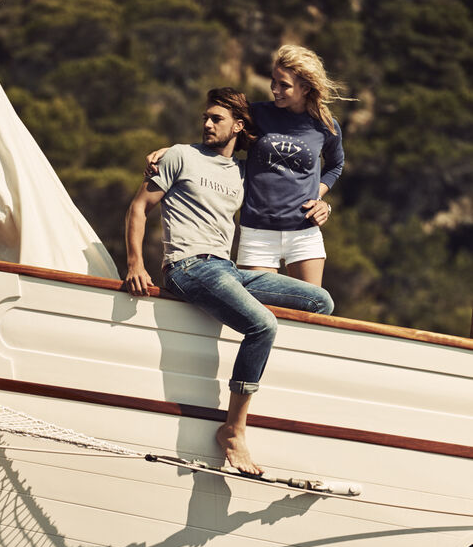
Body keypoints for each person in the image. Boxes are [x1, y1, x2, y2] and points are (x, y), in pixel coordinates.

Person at [125, 88, 334, 476]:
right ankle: (234, 430)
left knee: (320, 301)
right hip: (188, 266)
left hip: (227, 269)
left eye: (216, 119)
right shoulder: (179, 156)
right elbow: (139, 208)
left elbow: (294, 183)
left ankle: (269, 377)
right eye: (205, 117)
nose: (207, 124)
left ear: (238, 126)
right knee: (262, 325)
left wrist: (323, 202)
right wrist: (135, 264)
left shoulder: (242, 171)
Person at [238, 44, 348, 286]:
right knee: (259, 307)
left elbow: (335, 165)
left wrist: (318, 198)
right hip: (257, 233)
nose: (274, 89)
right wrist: (178, 153)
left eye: (284, 85)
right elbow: (220, 139)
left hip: (304, 233)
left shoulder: (326, 126)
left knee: (313, 305)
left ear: (305, 88)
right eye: (273, 81)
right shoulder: (256, 114)